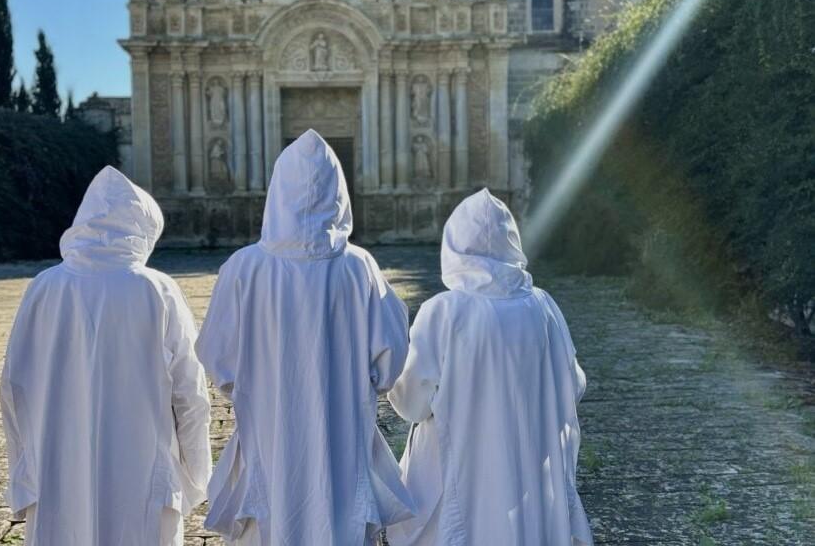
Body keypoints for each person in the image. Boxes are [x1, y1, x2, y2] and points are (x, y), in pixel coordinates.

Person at [196, 129, 415, 546]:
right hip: (343, 433)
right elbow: (391, 358)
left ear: (277, 189)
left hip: (267, 429)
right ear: (338, 190)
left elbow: (217, 357)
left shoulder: (243, 269)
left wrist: (259, 388)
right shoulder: (359, 269)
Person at [0, 166, 211, 546]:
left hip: (57, 463)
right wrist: (195, 474)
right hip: (144, 463)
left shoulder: (44, 288)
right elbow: (190, 392)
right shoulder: (156, 289)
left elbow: (14, 388)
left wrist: (24, 470)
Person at [387, 189, 593, 546]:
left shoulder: (444, 312)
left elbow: (410, 404)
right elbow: (573, 386)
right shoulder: (544, 307)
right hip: (527, 482)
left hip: (457, 477)